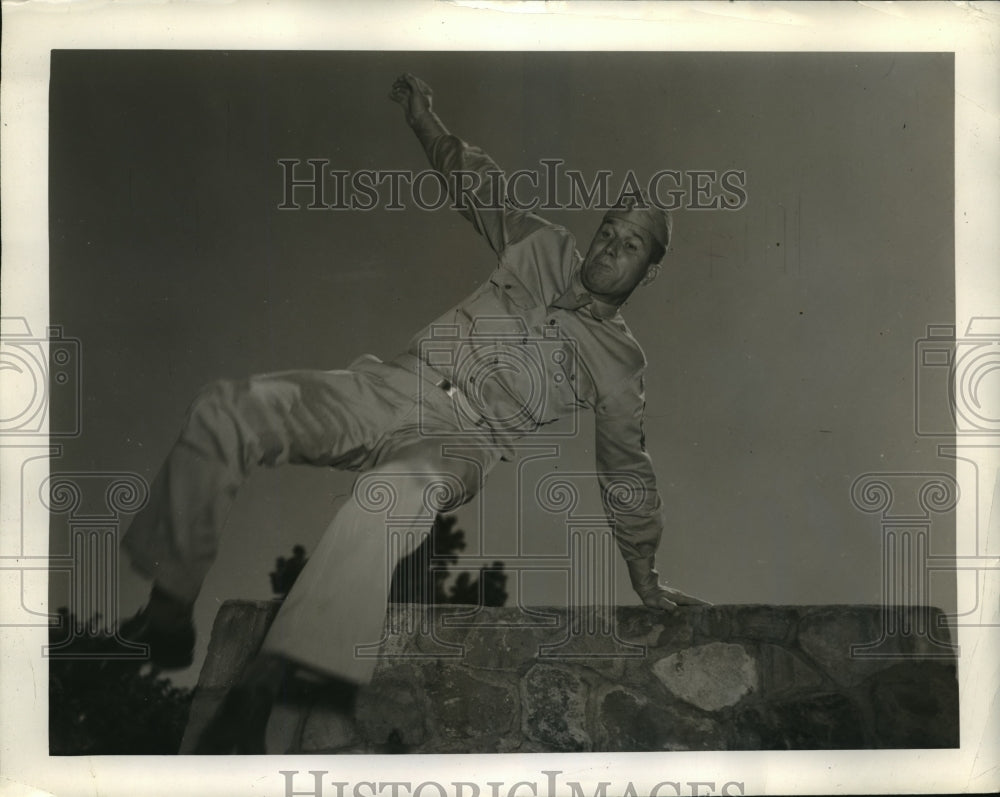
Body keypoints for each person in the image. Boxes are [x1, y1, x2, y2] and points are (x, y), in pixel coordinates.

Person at [119, 73, 710, 752]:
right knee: (228, 409)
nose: (608, 246)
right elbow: (473, 180)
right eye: (609, 228)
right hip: (393, 385)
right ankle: (168, 601)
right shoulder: (542, 247)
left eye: (629, 243)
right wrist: (423, 119)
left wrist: (645, 573)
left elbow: (625, 467)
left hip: (463, 441)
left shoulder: (618, 362)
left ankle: (275, 695)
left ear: (649, 270)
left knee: (387, 495)